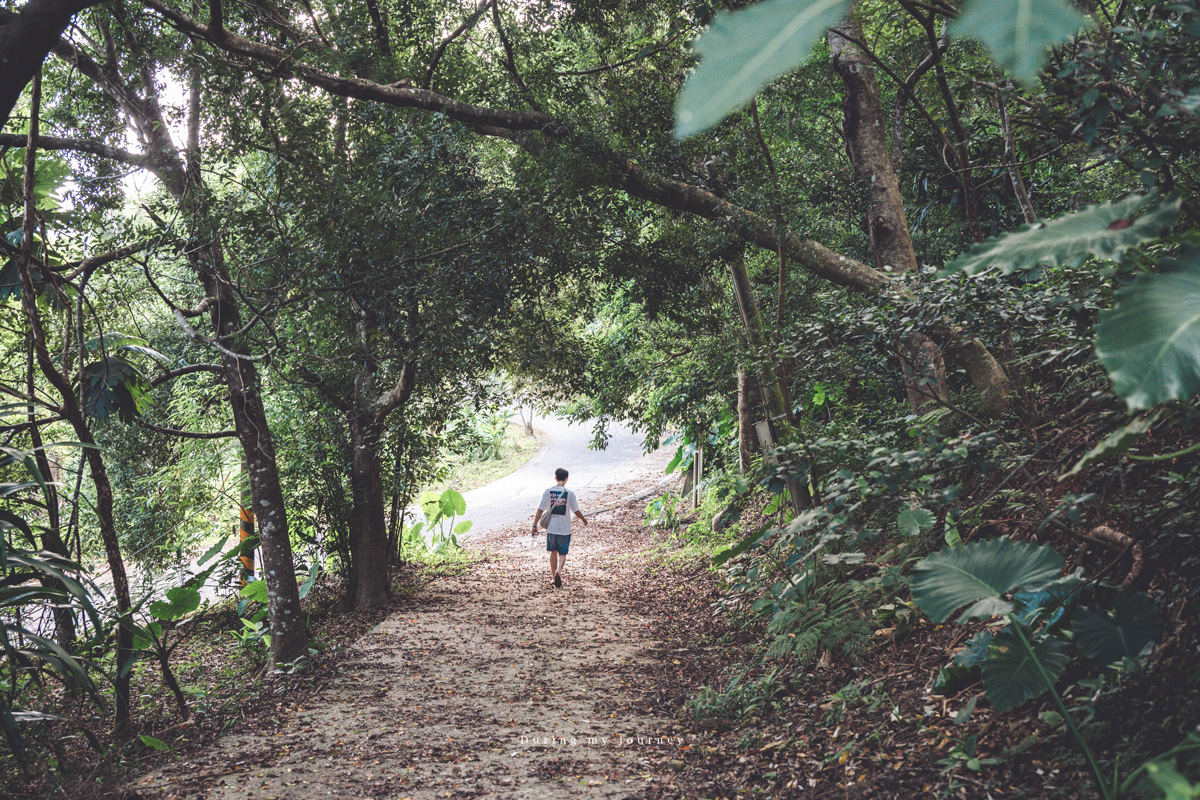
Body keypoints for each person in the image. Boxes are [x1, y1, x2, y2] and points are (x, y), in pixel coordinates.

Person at [531, 467, 587, 588]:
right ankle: (559, 572)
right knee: (562, 553)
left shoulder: (548, 492)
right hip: (565, 529)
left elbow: (540, 509)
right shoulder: (570, 494)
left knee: (553, 552)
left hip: (552, 528)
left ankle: (553, 577)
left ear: (555, 478)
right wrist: (583, 519)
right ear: (566, 479)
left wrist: (535, 524)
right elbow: (576, 511)